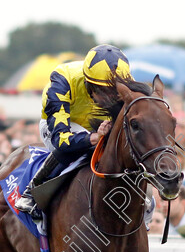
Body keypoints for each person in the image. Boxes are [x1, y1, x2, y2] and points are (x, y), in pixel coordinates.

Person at [15, 44, 130, 217]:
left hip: (95, 125)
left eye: (113, 91)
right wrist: (94, 137)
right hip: (61, 126)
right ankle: (32, 191)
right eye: (102, 90)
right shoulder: (62, 81)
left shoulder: (124, 80)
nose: (108, 97)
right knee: (78, 148)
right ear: (87, 82)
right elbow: (62, 140)